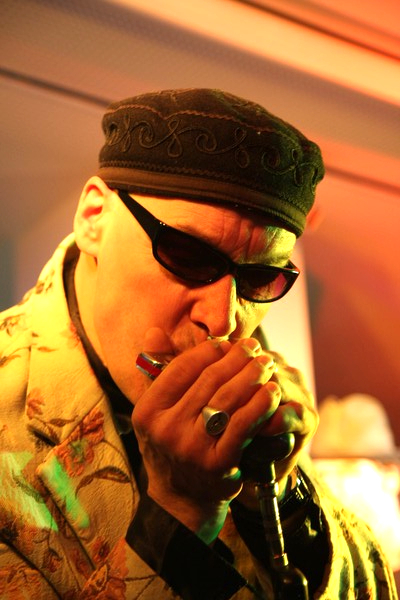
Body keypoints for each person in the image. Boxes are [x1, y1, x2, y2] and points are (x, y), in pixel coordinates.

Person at [0, 88, 397, 600]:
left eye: (260, 278)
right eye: (187, 254)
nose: (223, 321)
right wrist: (180, 513)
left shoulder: (261, 401)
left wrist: (281, 502)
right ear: (94, 216)